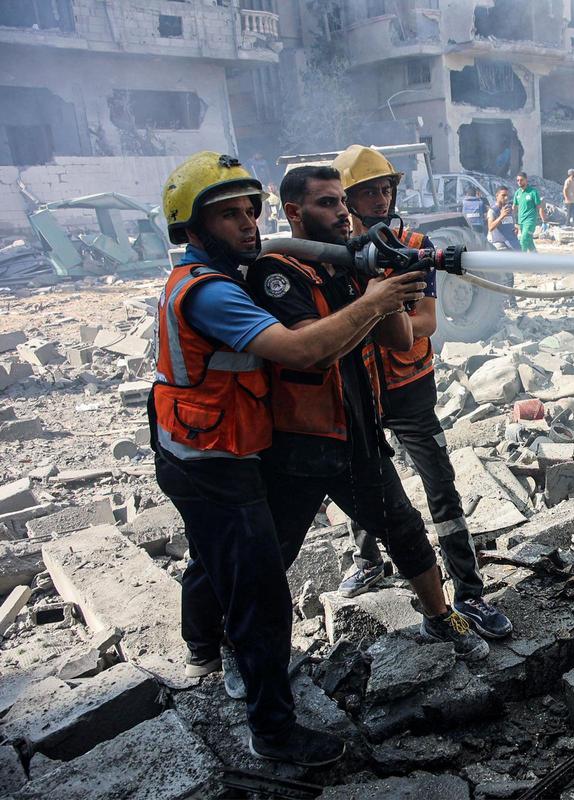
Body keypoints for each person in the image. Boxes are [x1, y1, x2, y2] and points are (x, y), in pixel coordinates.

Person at [152, 152, 420, 766]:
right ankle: (272, 730)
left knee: (221, 560)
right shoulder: (211, 294)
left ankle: (201, 645)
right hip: (210, 458)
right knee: (262, 589)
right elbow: (302, 353)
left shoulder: (217, 278)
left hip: (209, 444)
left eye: (251, 212)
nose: (249, 226)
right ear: (190, 227)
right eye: (229, 216)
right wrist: (376, 301)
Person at [245, 165, 490, 665]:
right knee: (271, 552)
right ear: (294, 213)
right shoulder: (275, 271)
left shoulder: (354, 264)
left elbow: (402, 337)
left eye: (341, 202)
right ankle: (244, 652)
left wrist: (385, 279)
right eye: (329, 203)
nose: (342, 212)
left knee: (404, 526)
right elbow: (312, 350)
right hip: (300, 439)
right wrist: (372, 299)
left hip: (357, 426)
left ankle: (442, 617)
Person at [330, 145, 512, 640]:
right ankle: (365, 560)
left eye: (386, 187)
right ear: (347, 199)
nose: (381, 197)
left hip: (409, 389)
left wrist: (372, 311)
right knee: (366, 479)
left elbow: (427, 321)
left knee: (440, 486)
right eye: (369, 191)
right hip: (360, 390)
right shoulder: (336, 255)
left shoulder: (413, 246)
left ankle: (469, 592)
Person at [513, 172, 545, 253]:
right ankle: (536, 259)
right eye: (517, 180)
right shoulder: (517, 193)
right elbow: (514, 207)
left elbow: (540, 207)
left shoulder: (533, 192)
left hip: (530, 222)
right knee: (529, 241)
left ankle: (521, 261)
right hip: (521, 222)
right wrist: (512, 221)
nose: (519, 182)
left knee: (523, 240)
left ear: (526, 180)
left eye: (521, 180)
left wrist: (544, 221)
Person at [487, 186, 520, 251]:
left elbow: (510, 224)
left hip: (512, 241)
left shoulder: (509, 209)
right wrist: (501, 216)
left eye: (507, 195)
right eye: (503, 195)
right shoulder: (492, 210)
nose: (506, 198)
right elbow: (490, 227)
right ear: (497, 196)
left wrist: (515, 229)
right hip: (500, 244)